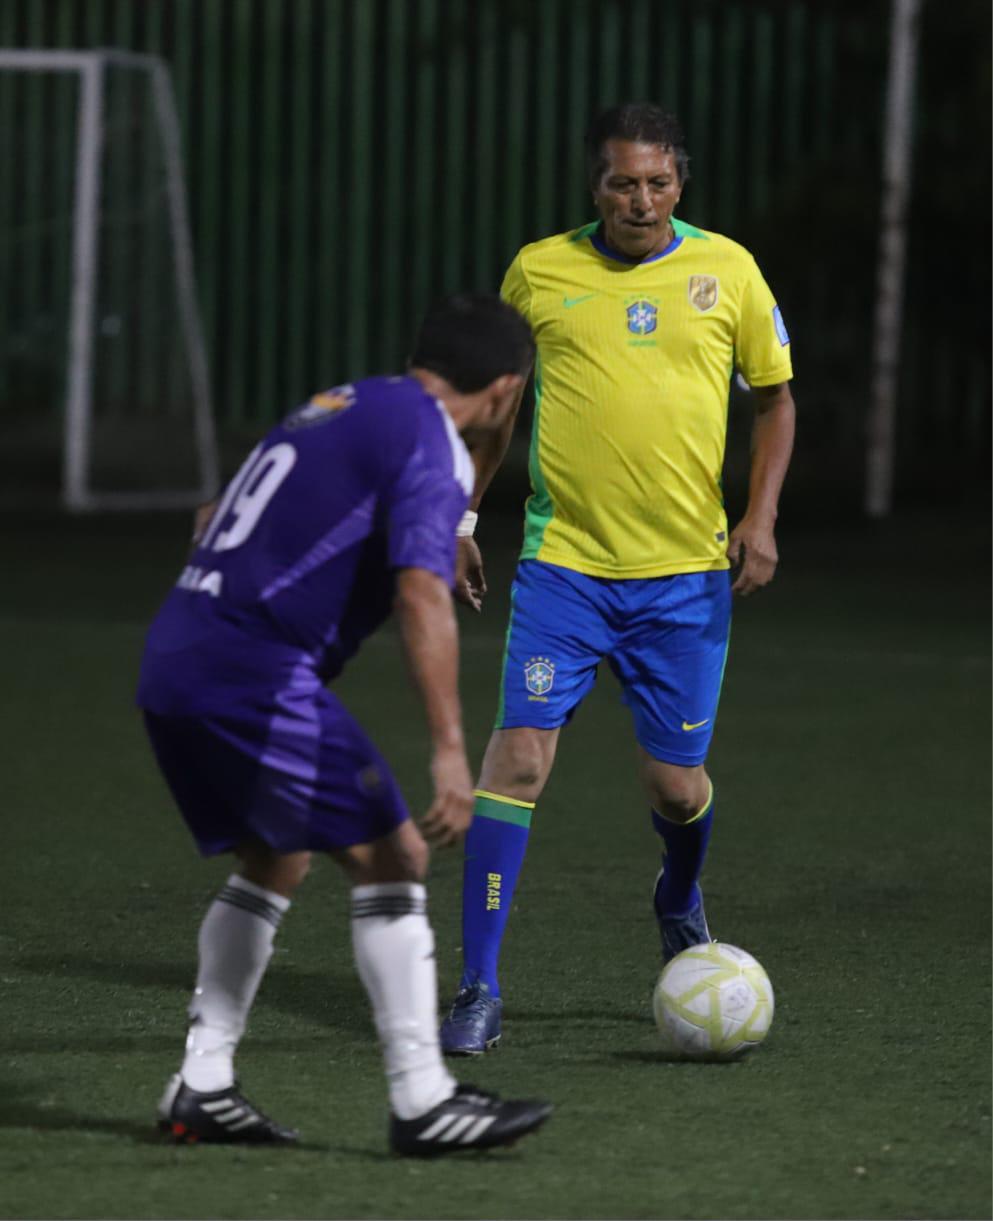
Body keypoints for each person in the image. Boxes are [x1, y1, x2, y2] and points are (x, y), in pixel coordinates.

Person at [136, 294, 552, 1154]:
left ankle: (202, 1082)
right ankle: (423, 1100)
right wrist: (447, 751)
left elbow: (210, 517)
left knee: (277, 854)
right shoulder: (431, 440)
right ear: (507, 389)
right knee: (394, 857)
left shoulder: (342, 403)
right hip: (252, 677)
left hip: (177, 653)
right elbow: (420, 599)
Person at [440, 104, 796, 1055]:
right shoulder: (540, 270)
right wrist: (465, 517)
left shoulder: (727, 269)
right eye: (620, 183)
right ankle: (477, 986)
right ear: (592, 186)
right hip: (566, 570)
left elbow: (775, 400)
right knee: (515, 763)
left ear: (680, 182)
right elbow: (500, 407)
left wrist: (758, 520)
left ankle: (677, 891)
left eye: (657, 182)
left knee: (676, 787)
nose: (640, 200)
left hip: (683, 578)